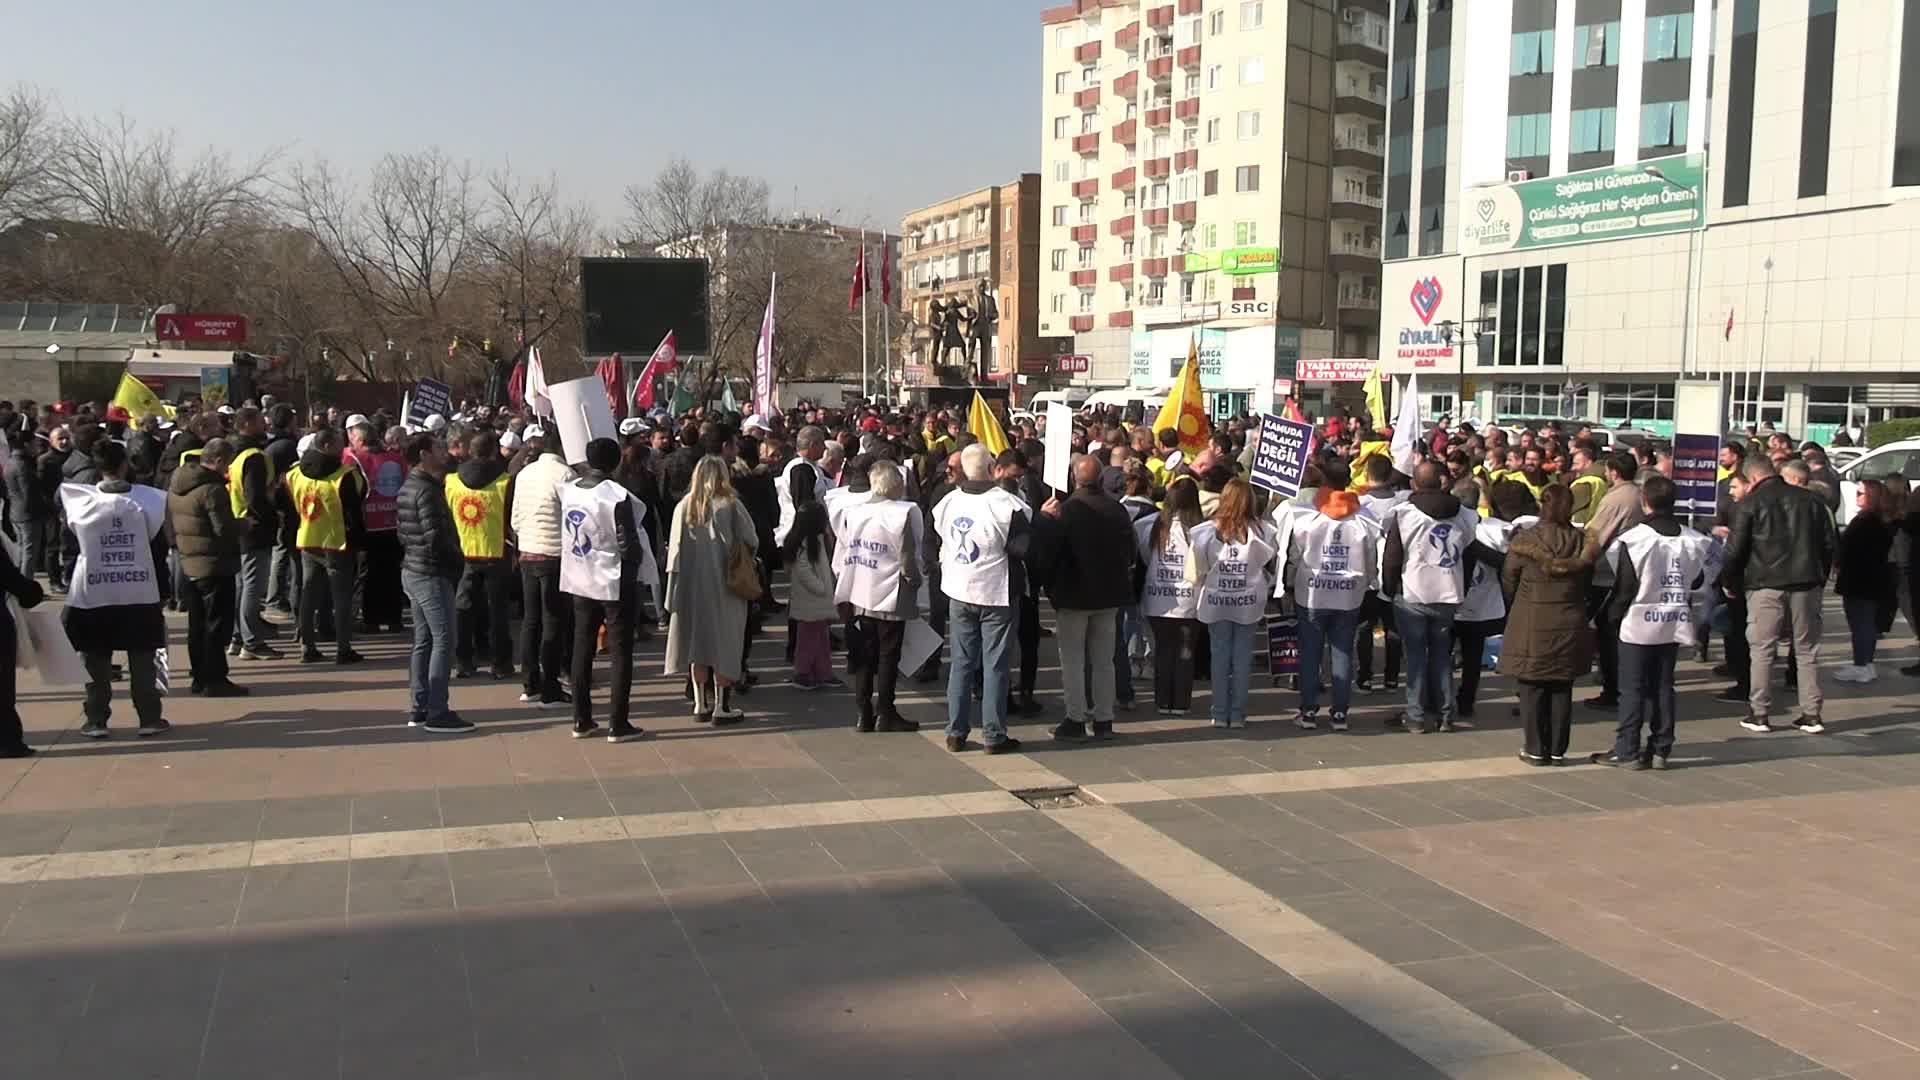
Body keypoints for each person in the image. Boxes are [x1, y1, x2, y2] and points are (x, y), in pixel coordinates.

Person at [1594, 474, 1713, 769]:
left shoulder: (1634, 539)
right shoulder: (1694, 540)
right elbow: (1697, 579)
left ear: (1645, 502)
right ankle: (1661, 748)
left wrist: (1611, 617)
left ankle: (1627, 750)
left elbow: (1624, 586)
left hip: (1637, 620)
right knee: (1663, 685)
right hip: (1674, 619)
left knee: (1632, 688)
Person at [59, 440, 170, 738]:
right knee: (143, 657)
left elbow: (68, 549)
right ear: (124, 465)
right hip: (140, 590)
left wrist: (72, 581)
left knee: (95, 661)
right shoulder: (150, 501)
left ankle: (96, 720)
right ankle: (149, 718)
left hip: (93, 591)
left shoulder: (78, 503)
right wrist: (164, 589)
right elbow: (159, 551)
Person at [1724, 456, 1837, 734]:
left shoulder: (1750, 503)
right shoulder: (1812, 501)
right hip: (1806, 582)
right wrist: (1819, 578)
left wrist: (1730, 581)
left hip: (1764, 584)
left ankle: (1759, 713)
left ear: (1752, 479)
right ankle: (1812, 714)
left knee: (1762, 649)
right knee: (1807, 649)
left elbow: (1735, 550)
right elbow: (1829, 544)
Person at [931, 443, 1031, 753]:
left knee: (961, 662)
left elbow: (940, 537)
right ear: (992, 470)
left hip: (960, 588)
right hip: (995, 591)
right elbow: (1021, 548)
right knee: (995, 665)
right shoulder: (1008, 505)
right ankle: (993, 734)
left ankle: (956, 731)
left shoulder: (947, 502)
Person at [560, 437, 655, 742]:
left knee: (582, 645)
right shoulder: (615, 495)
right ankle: (618, 722)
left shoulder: (570, 489)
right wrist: (636, 565)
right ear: (615, 462)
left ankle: (581, 718)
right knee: (620, 651)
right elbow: (629, 543)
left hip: (578, 575)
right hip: (611, 578)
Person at [1380, 462, 1483, 734]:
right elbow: (1470, 555)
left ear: (1414, 484)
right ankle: (1446, 714)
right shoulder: (1464, 515)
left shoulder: (1404, 515)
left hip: (1413, 591)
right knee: (1441, 655)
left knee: (1414, 656)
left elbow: (1391, 559)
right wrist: (1461, 586)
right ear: (1442, 482)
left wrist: (1390, 590)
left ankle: (1415, 716)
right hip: (1448, 592)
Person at [1039, 454, 1136, 741]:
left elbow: (1049, 555)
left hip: (1073, 596)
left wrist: (1045, 522)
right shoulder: (1117, 510)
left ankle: (1075, 717)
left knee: (1073, 660)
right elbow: (1129, 552)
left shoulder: (1065, 512)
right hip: (1108, 595)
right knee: (1104, 659)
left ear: (1074, 478)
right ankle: (1104, 718)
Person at [1501, 485, 1592, 765]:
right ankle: (1557, 749)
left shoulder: (1527, 540)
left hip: (1531, 618)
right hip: (1570, 618)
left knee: (1531, 686)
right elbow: (1587, 582)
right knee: (1561, 685)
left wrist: (1517, 604)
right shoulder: (1581, 542)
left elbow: (1509, 578)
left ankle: (1535, 748)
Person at [665, 455, 758, 724]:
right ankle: (722, 706)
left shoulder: (684, 506)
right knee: (725, 644)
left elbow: (674, 552)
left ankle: (699, 704)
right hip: (726, 585)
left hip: (691, 586)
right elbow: (751, 539)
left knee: (698, 644)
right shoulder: (730, 504)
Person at [833, 461, 924, 732]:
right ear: (894, 484)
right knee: (887, 656)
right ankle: (885, 711)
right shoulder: (901, 513)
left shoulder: (854, 511)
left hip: (861, 591)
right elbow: (907, 559)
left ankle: (863, 712)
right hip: (890, 595)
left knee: (865, 656)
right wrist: (916, 582)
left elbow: (845, 551)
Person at [1186, 477, 1279, 730]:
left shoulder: (1205, 532)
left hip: (1217, 600)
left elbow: (1198, 569)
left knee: (1220, 657)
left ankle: (1219, 712)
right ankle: (1237, 714)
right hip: (1248, 601)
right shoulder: (1263, 531)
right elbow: (1271, 568)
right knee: (1241, 659)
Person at [1286, 486, 1374, 732]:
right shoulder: (1363, 522)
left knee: (1310, 654)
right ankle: (1339, 713)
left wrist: (1290, 585)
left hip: (1312, 594)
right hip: (1348, 596)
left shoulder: (1307, 521)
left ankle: (1308, 711)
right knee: (1343, 653)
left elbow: (1295, 556)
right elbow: (1370, 559)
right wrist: (1367, 582)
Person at [166, 438, 249, 697]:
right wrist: (243, 525)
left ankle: (200, 676)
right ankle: (215, 679)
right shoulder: (212, 490)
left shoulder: (177, 485)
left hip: (190, 561)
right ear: (220, 460)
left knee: (197, 624)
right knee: (216, 625)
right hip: (215, 563)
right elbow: (222, 528)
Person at [286, 427, 366, 665]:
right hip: (337, 542)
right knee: (340, 597)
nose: (343, 447)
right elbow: (356, 507)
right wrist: (360, 542)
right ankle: (343, 648)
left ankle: (306, 646)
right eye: (339, 443)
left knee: (308, 594)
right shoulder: (346, 475)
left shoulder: (294, 474)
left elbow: (290, 508)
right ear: (328, 446)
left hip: (308, 539)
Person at [509, 429, 573, 707]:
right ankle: (550, 686)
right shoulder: (565, 476)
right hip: (554, 554)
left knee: (531, 620)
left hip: (528, 551)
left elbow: (515, 518)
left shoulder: (525, 474)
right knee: (553, 621)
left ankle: (530, 683)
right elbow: (574, 520)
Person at [1580, 452, 1647, 710]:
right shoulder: (1640, 494)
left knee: (1609, 633)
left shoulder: (1616, 498)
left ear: (1614, 472)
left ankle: (1612, 689)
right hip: (1635, 572)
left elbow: (1595, 536)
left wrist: (1579, 562)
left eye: (1607, 471)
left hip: (1609, 574)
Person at [446, 430, 515, 680]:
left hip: (464, 551)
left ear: (469, 451)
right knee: (498, 611)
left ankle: (464, 660)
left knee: (463, 608)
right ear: (494, 450)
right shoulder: (505, 481)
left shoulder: (451, 481)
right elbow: (512, 518)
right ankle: (501, 663)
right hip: (496, 551)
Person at [1136, 476, 1202, 716]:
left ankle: (1163, 701)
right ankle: (1181, 702)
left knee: (1163, 650)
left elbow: (1144, 556)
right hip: (1189, 600)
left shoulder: (1148, 525)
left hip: (1157, 598)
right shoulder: (1200, 529)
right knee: (1185, 651)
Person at [226, 406, 282, 660]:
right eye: (261, 420)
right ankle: (251, 642)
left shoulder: (232, 452)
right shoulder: (254, 456)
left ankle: (238, 638)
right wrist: (271, 510)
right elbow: (256, 496)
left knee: (242, 585)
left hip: (237, 523)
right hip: (253, 527)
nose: (266, 423)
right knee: (252, 586)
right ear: (248, 424)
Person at [344, 414, 406, 637]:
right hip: (393, 523)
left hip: (367, 524)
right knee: (392, 573)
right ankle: (395, 619)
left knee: (369, 575)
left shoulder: (353, 460)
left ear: (359, 440)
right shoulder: (396, 459)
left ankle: (371, 620)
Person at [1833, 479, 1894, 684]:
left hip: (1860, 580)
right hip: (1868, 579)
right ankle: (1864, 663)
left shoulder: (1867, 522)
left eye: (1861, 493)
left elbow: (1854, 550)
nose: (1856, 496)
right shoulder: (1874, 520)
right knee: (1863, 623)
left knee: (1861, 623)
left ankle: (1863, 665)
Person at [1354, 454, 1404, 693]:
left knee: (1364, 627)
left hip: (1368, 575)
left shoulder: (1358, 503)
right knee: (1392, 628)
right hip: (1395, 574)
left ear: (1366, 474)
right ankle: (1391, 678)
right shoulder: (1403, 504)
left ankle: (1364, 677)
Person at [782, 488, 840, 691]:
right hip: (812, 600)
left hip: (815, 602)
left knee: (821, 639)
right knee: (808, 640)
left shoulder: (814, 541)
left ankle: (823, 672)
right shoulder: (807, 543)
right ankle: (803, 672)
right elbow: (804, 570)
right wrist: (821, 587)